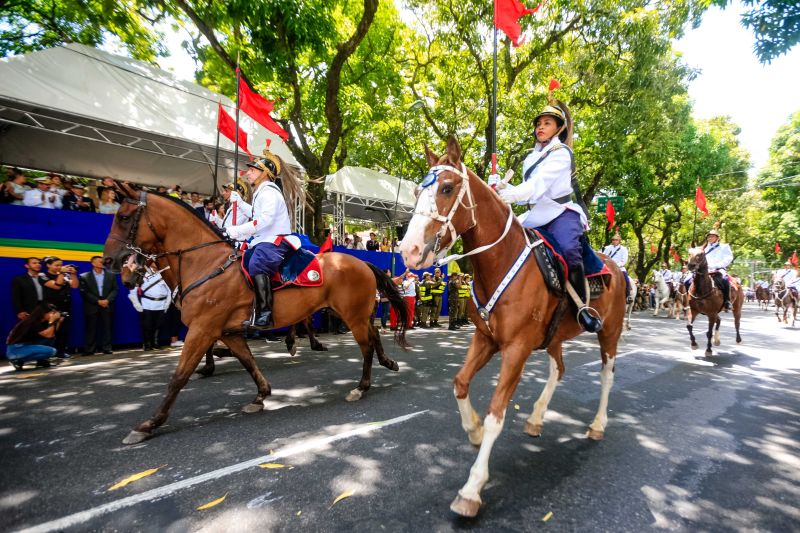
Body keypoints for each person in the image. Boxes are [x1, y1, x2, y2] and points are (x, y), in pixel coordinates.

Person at [495, 89, 602, 332]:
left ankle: (581, 308)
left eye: (547, 123)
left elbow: (538, 186)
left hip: (561, 211)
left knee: (568, 250)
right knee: (504, 243)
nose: (540, 127)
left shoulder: (562, 153)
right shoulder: (529, 158)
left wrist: (508, 195)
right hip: (535, 213)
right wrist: (501, 185)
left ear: (558, 128)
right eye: (539, 124)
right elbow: (527, 195)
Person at [223, 147, 305, 327]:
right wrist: (239, 202)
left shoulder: (269, 192)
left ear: (264, 173)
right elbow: (254, 213)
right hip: (263, 240)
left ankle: (265, 313)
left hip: (273, 240)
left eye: (252, 170)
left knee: (257, 263)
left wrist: (235, 231)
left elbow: (264, 221)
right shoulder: (263, 192)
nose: (248, 174)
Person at [79, 256, 118, 355]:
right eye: (100, 261)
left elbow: (115, 290)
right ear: (93, 263)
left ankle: (107, 348)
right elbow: (84, 292)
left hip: (107, 304)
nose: (102, 263)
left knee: (107, 327)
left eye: (103, 261)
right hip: (92, 305)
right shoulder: (84, 276)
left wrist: (108, 300)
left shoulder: (111, 275)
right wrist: (97, 301)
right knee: (91, 328)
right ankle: (89, 349)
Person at [5, 304, 64, 370]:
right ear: (43, 313)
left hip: (25, 345)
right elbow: (49, 334)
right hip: (16, 349)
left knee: (50, 339)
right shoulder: (33, 322)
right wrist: (52, 321)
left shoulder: (40, 321)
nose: (53, 315)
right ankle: (18, 360)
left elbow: (51, 334)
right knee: (52, 351)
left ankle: (41, 361)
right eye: (52, 313)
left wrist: (57, 322)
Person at [41, 256, 78, 358]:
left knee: (64, 331)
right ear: (48, 265)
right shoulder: (43, 275)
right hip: (51, 308)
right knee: (51, 331)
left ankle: (60, 352)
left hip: (65, 306)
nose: (59, 267)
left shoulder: (65, 275)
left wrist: (73, 274)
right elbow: (56, 286)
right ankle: (48, 352)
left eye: (61, 265)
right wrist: (61, 273)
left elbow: (74, 285)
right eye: (56, 265)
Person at [128, 267, 171, 351]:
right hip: (147, 303)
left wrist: (167, 303)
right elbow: (133, 291)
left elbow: (169, 290)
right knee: (147, 325)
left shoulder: (163, 274)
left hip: (161, 304)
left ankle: (155, 343)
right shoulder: (141, 274)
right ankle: (147, 344)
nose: (154, 264)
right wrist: (137, 304)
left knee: (159, 325)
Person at [702, 227, 734, 310]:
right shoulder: (704, 248)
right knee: (688, 280)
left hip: (718, 269)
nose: (710, 238)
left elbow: (728, 258)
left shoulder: (724, 246)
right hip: (705, 269)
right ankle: (690, 299)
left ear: (717, 238)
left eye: (712, 236)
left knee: (725, 279)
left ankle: (727, 300)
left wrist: (716, 265)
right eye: (709, 236)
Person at [602, 232, 633, 303]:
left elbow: (624, 260)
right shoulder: (607, 248)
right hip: (607, 267)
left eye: (616, 240)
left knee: (626, 279)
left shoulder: (623, 249)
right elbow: (603, 255)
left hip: (619, 267)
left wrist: (615, 265)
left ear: (619, 241)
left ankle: (628, 295)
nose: (614, 241)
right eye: (613, 240)